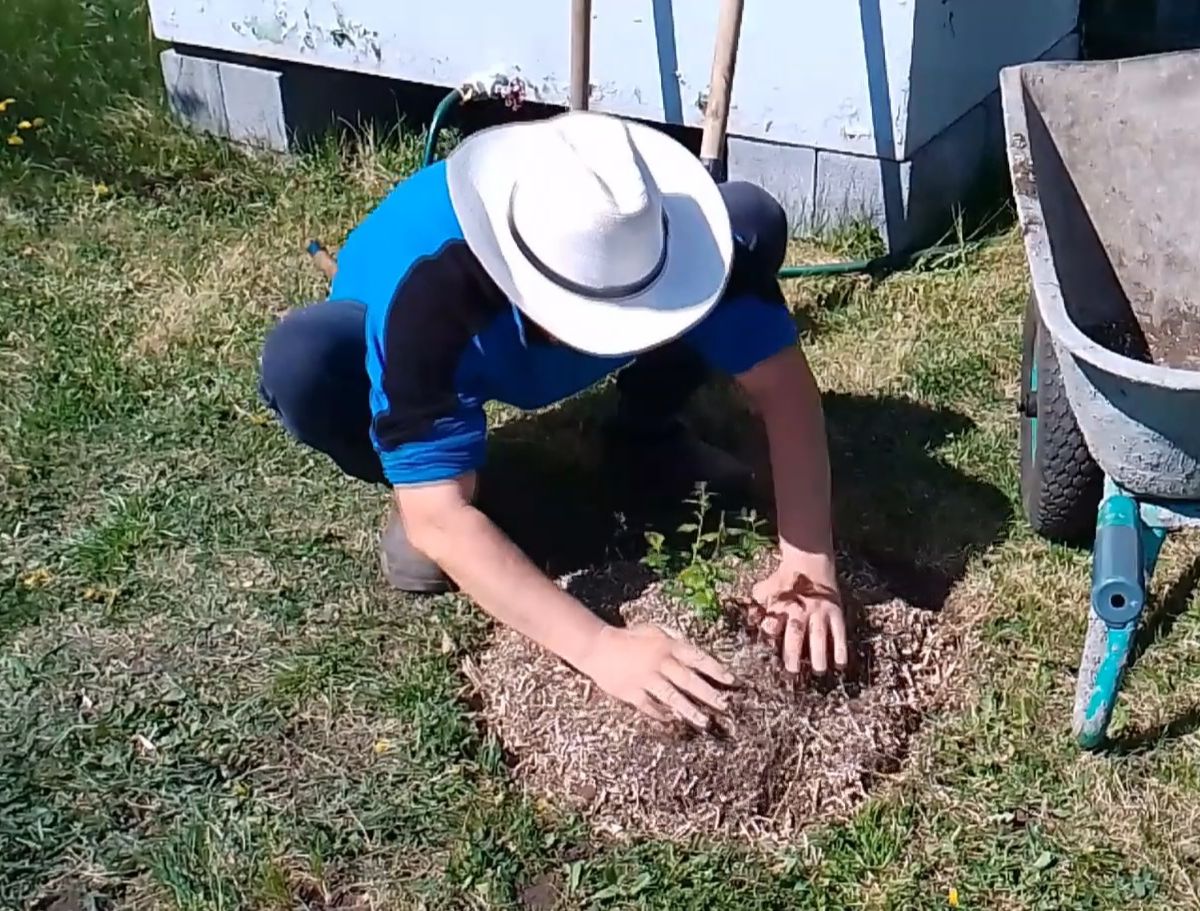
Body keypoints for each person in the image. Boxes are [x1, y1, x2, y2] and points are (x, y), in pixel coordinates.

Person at [258, 111, 847, 728]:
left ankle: (646, 434)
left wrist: (809, 564)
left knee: (753, 214)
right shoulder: (428, 299)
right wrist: (601, 648)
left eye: (645, 304)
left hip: (520, 324)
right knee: (305, 362)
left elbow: (784, 390)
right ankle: (418, 470)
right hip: (412, 343)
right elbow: (442, 522)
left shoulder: (674, 239)